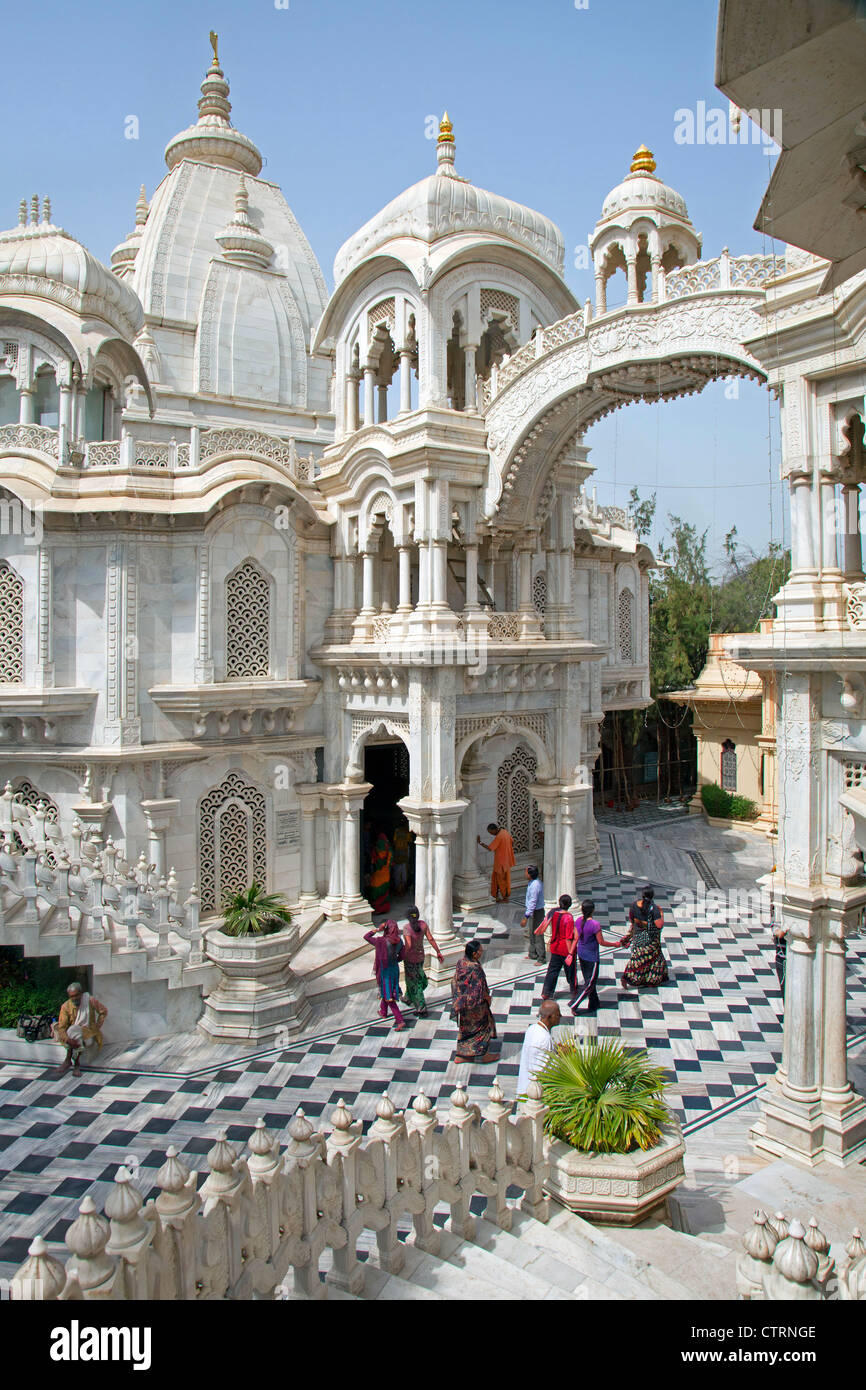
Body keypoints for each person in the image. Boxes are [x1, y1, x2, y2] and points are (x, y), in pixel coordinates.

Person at [568, 899, 620, 1014]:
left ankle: (594, 1003)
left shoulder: (578, 921)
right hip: (591, 957)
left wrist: (571, 953)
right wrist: (615, 944)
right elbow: (601, 942)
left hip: (582, 954)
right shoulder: (595, 925)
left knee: (589, 980)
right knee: (589, 983)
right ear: (593, 910)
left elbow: (576, 938)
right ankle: (574, 1004)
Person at [450, 939, 497, 1063]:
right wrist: (488, 998)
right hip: (476, 1005)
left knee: (465, 1029)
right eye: (480, 950)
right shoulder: (475, 968)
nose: (482, 952)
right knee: (484, 1027)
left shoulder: (461, 962)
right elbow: (479, 988)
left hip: (463, 1004)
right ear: (475, 953)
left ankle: (462, 1055)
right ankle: (485, 1054)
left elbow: (455, 981)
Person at [52, 982, 107, 1078]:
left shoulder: (89, 1001)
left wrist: (97, 1026)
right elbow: (62, 1028)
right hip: (73, 1035)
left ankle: (68, 1060)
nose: (74, 998)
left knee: (73, 1031)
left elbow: (103, 1011)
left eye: (77, 995)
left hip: (89, 1032)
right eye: (72, 996)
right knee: (73, 1031)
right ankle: (76, 1065)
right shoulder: (65, 1007)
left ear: (81, 993)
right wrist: (68, 1040)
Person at [621, 884, 669, 988]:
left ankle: (628, 977)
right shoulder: (654, 908)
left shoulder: (634, 905)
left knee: (637, 959)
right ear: (652, 896)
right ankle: (652, 979)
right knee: (655, 958)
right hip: (651, 939)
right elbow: (659, 925)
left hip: (638, 937)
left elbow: (631, 919)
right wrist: (661, 914)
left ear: (642, 895)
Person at [363, 920, 406, 1030]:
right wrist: (393, 960)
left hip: (385, 971)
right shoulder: (399, 941)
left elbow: (366, 937)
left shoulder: (381, 941)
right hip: (394, 969)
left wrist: (377, 929)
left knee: (388, 996)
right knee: (387, 990)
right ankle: (383, 1012)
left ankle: (400, 1020)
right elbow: (402, 956)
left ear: (386, 929)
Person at [402, 905, 443, 1018]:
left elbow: (409, 945)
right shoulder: (423, 925)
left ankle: (421, 1008)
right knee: (412, 979)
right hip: (420, 958)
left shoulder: (406, 928)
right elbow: (430, 938)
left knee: (414, 983)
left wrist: (401, 955)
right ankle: (408, 997)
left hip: (410, 959)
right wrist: (438, 952)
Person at [517, 999, 561, 1097]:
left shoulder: (532, 1028)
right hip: (534, 1094)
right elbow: (542, 1070)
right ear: (550, 1017)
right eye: (558, 1015)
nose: (560, 1016)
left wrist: (556, 1049)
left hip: (525, 1086)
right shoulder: (544, 1038)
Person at [538, 894, 576, 1000]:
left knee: (552, 970)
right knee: (571, 971)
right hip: (564, 949)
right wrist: (570, 953)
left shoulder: (554, 914)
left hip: (555, 946)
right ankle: (573, 991)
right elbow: (568, 938)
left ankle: (547, 992)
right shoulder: (568, 917)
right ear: (570, 905)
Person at [477, 822, 515, 902]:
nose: (491, 834)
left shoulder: (499, 836)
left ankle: (505, 897)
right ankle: (500, 897)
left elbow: (490, 848)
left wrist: (480, 842)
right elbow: (512, 841)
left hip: (501, 862)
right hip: (506, 861)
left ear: (494, 830)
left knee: (501, 881)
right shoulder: (505, 832)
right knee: (503, 879)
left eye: (491, 832)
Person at [521, 864, 546, 963]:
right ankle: (533, 953)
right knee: (532, 933)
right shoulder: (532, 883)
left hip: (537, 912)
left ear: (530, 874)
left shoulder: (535, 885)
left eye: (526, 871)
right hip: (533, 912)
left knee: (538, 934)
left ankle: (541, 957)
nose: (525, 873)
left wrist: (526, 917)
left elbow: (533, 902)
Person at [368, 829, 393, 914]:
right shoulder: (389, 847)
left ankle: (377, 909)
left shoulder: (377, 846)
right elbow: (390, 860)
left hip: (378, 873)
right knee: (384, 890)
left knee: (376, 891)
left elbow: (374, 859)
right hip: (386, 873)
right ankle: (384, 908)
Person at [392, 821, 411, 896]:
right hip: (404, 858)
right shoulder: (407, 832)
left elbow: (394, 842)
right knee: (403, 876)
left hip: (397, 857)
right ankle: (401, 890)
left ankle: (399, 890)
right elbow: (409, 842)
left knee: (397, 875)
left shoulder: (397, 831)